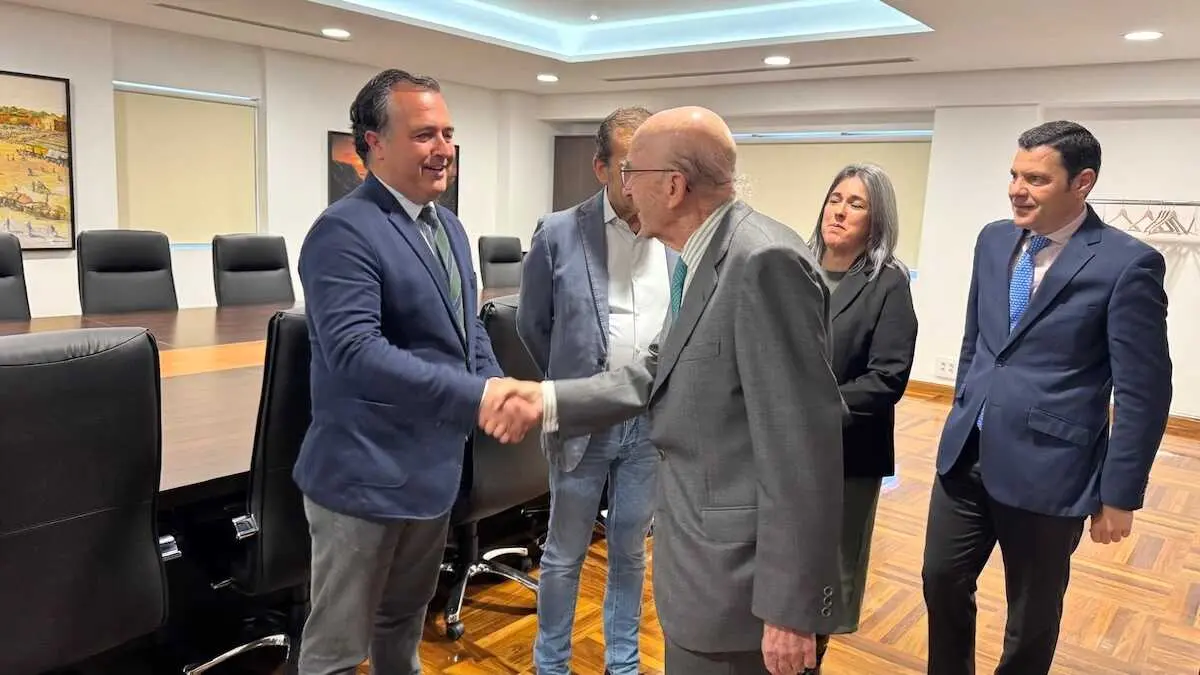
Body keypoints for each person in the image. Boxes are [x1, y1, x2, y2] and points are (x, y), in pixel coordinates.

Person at [486, 106, 845, 675]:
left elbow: (804, 447)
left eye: (634, 173)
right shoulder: (703, 258)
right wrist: (547, 399)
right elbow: (657, 369)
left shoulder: (761, 261)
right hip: (702, 578)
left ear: (673, 186)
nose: (623, 186)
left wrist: (791, 610)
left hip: (743, 598)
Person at [921, 120, 1172, 675]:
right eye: (1014, 174)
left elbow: (1143, 391)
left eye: (1035, 178)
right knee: (940, 581)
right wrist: (964, 408)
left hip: (1050, 471)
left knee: (1031, 615)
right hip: (966, 456)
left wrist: (1120, 493)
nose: (1016, 188)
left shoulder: (1126, 264)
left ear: (1081, 182)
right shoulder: (993, 239)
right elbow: (979, 343)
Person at [293, 68, 521, 675]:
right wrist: (477, 396)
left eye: (447, 133)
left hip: (431, 470)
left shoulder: (446, 225)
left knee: (404, 620)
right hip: (363, 477)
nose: (443, 149)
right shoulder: (343, 231)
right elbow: (356, 354)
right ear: (373, 143)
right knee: (338, 650)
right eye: (424, 135)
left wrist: (496, 383)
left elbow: (465, 329)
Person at [517, 106, 674, 675]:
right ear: (602, 167)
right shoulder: (559, 232)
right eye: (631, 166)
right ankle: (551, 664)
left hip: (648, 424)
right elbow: (532, 326)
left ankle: (623, 663)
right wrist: (570, 382)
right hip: (581, 419)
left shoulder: (677, 236)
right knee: (563, 555)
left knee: (631, 552)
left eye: (656, 166)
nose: (644, 181)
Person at [807, 163, 918, 667]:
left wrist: (812, 410)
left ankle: (812, 653)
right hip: (778, 446)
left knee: (830, 564)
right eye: (836, 198)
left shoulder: (889, 282)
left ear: (876, 221)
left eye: (856, 204)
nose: (840, 210)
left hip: (846, 451)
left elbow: (888, 377)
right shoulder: (796, 265)